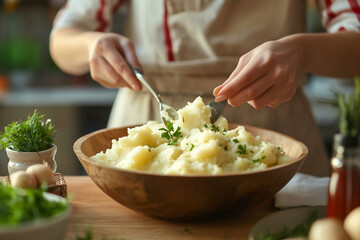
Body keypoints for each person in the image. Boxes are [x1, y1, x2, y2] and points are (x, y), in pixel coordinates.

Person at [49, 0, 360, 177]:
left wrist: (301, 52)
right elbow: (62, 39)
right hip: (146, 125)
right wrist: (91, 45)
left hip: (273, 133)